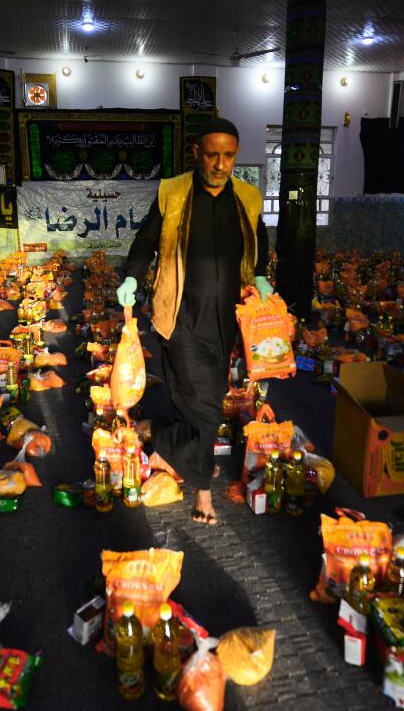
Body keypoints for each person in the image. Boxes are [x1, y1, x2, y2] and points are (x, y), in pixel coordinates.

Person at [118, 118, 272, 524]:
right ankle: (202, 492)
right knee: (203, 405)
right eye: (212, 155)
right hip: (180, 317)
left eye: (229, 156)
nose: (221, 164)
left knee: (206, 402)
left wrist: (260, 276)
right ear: (196, 154)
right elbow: (146, 240)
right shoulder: (173, 193)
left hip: (226, 322)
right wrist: (133, 276)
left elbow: (259, 243)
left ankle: (166, 440)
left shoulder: (248, 197)